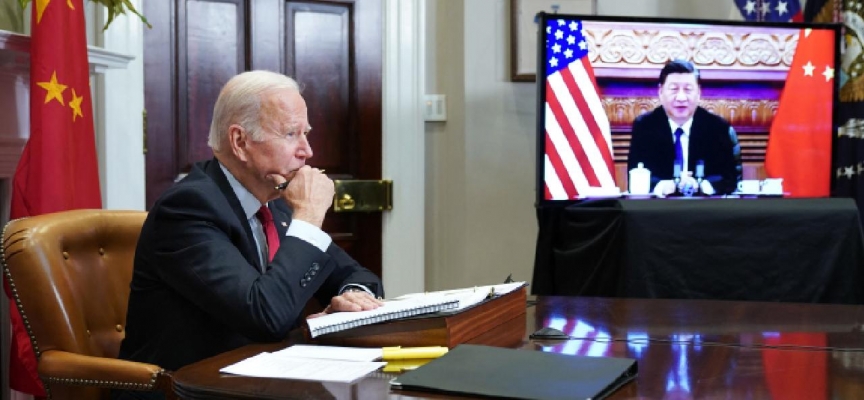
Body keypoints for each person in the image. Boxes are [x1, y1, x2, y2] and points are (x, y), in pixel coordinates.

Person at [115, 71, 383, 399]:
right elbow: (265, 317)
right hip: (193, 390)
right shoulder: (188, 208)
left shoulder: (276, 203)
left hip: (267, 382)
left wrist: (352, 298)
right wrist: (310, 215)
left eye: (306, 133)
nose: (307, 151)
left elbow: (359, 277)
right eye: (291, 134)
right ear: (240, 142)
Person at [627, 59, 739, 196]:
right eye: (674, 89)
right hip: (660, 206)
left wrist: (701, 185)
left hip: (706, 206)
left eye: (688, 89)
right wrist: (663, 186)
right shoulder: (645, 126)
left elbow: (729, 178)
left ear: (699, 93)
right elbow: (637, 175)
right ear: (660, 91)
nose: (681, 97)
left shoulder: (716, 127)